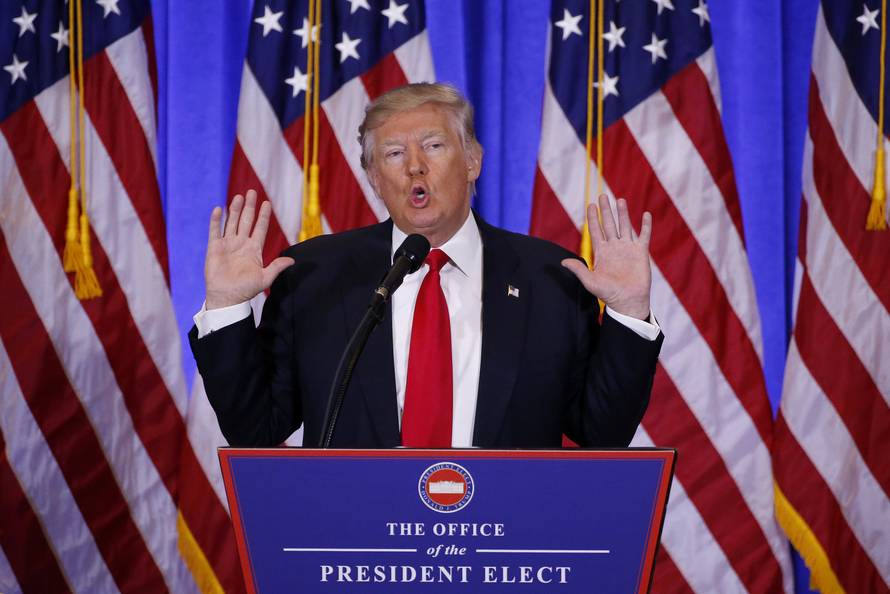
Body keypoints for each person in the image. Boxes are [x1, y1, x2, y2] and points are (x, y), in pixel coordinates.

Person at [190, 82, 662, 449]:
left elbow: (602, 434)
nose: (415, 166)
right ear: (375, 179)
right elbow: (255, 430)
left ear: (473, 161)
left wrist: (629, 312)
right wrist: (228, 307)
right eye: (394, 154)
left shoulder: (550, 278)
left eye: (434, 146)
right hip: (359, 548)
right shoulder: (315, 275)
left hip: (503, 549)